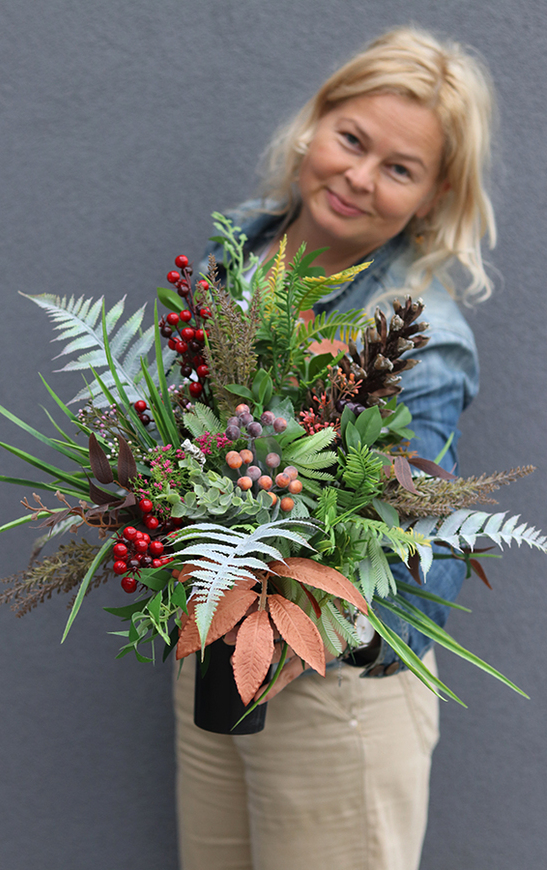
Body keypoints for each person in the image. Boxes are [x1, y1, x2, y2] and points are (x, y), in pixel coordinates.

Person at [174, 26, 496, 870]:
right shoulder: (238, 249)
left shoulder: (418, 331)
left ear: (433, 196)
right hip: (212, 641)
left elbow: (398, 528)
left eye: (400, 168)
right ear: (315, 125)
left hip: (332, 678)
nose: (358, 177)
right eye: (351, 139)